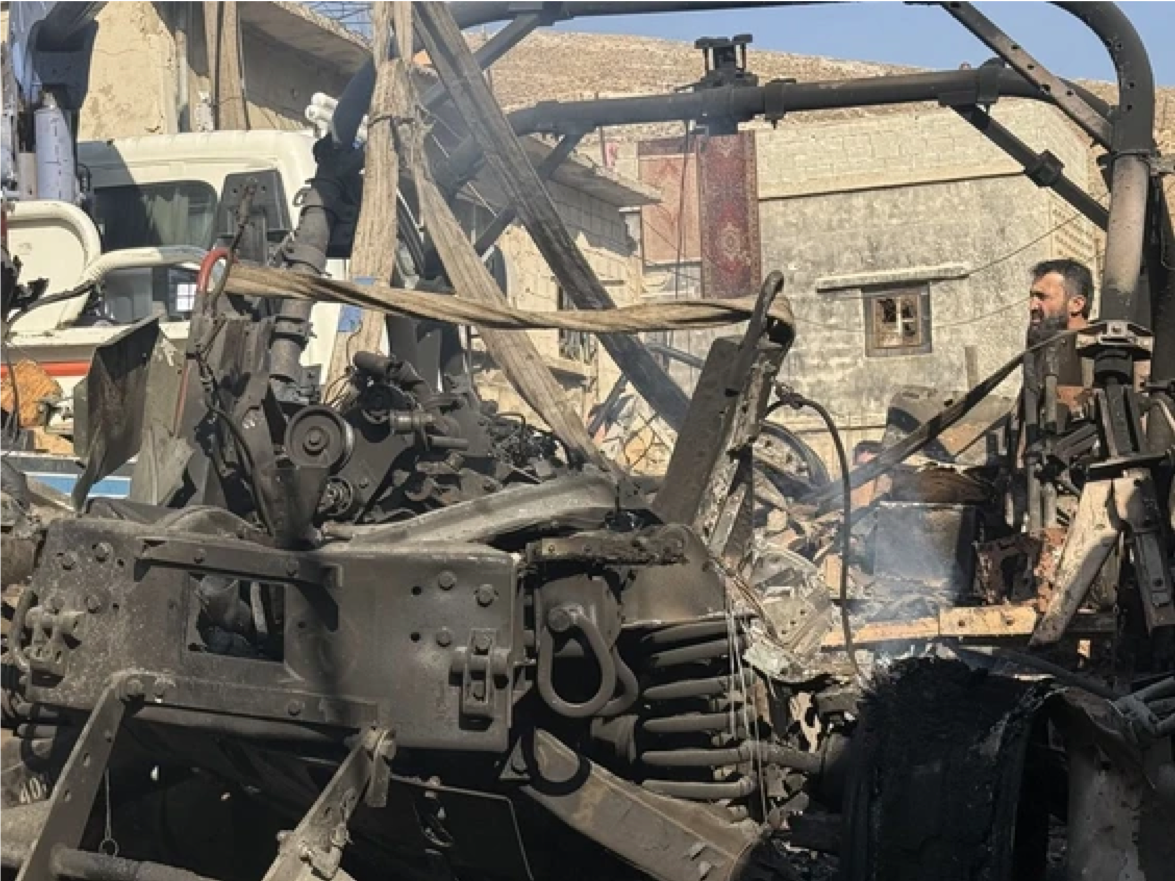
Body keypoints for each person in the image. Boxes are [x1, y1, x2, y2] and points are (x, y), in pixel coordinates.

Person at [1025, 257, 1094, 388]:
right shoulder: (1038, 354)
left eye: (1042, 297)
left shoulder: (1101, 357)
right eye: (1032, 297)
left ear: (1076, 304)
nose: (1032, 306)